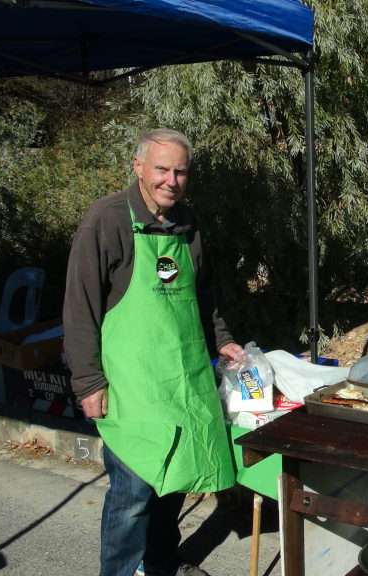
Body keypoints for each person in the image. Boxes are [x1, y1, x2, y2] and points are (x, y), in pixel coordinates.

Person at [64, 128, 241, 576]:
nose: (171, 180)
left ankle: (160, 565)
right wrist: (87, 382)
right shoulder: (106, 220)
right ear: (138, 167)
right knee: (133, 494)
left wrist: (221, 339)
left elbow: (204, 296)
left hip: (182, 379)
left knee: (175, 480)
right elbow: (79, 306)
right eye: (161, 169)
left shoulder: (189, 222)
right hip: (131, 384)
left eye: (180, 171)